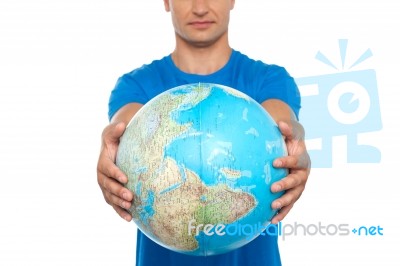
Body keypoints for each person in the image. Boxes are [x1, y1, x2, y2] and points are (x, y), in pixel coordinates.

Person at [97, 0, 310, 265]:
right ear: (166, 2)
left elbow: (283, 123)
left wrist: (296, 139)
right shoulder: (136, 85)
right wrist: (111, 143)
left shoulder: (268, 79)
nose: (200, 7)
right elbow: (123, 126)